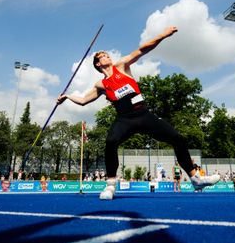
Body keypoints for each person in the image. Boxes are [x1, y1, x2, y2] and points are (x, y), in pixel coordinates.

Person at [57, 26, 220, 199]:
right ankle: (110, 186)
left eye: (107, 54)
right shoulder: (101, 85)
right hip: (124, 119)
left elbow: (143, 49)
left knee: (178, 138)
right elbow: (83, 100)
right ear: (98, 64)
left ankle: (195, 178)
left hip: (143, 115)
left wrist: (163, 35)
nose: (107, 56)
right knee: (111, 141)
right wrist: (67, 96)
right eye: (103, 56)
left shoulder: (122, 66)